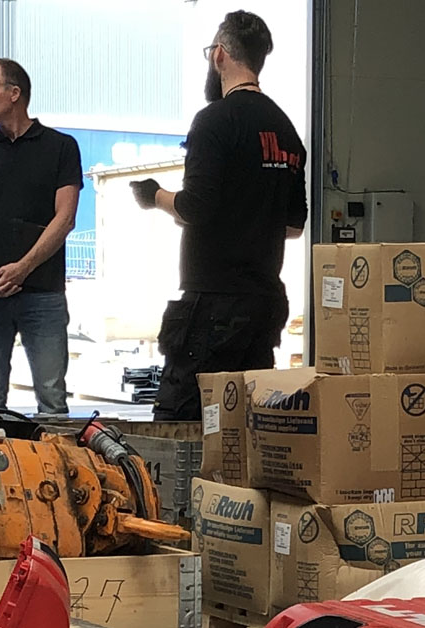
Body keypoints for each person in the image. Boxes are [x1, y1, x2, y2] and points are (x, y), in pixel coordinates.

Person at [130, 11, 307, 421]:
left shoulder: (215, 121)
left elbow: (195, 206)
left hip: (213, 302)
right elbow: (294, 226)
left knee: (182, 419)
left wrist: (154, 196)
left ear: (220, 55)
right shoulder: (285, 131)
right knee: (245, 423)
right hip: (264, 303)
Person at [0, 59, 82, 416]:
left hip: (43, 292)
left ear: (14, 93)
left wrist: (22, 268)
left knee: (52, 398)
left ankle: (54, 454)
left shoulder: (61, 147)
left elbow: (65, 218)